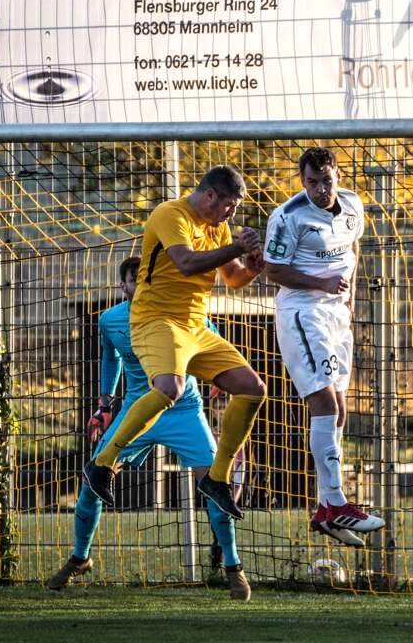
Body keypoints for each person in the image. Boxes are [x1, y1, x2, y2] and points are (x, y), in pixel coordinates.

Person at [48, 257, 251, 600]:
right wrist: (104, 404)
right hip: (136, 410)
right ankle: (80, 558)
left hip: (185, 410)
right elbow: (110, 359)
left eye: (148, 280)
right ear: (122, 285)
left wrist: (221, 379)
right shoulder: (111, 320)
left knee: (216, 485)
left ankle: (233, 567)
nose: (142, 286)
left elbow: (213, 342)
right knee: (93, 481)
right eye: (135, 281)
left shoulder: (184, 312)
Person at [83, 166, 267, 519]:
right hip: (156, 320)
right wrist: (234, 248)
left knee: (252, 388)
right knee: (170, 388)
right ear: (211, 195)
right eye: (229, 206)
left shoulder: (218, 227)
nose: (231, 214)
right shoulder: (170, 214)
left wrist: (253, 267)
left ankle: (217, 479)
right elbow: (185, 263)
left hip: (195, 326)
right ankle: (102, 465)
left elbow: (234, 279)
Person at [263, 147, 383, 548]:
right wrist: (322, 285)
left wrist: (347, 296)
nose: (319, 189)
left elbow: (353, 247)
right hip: (302, 312)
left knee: (341, 411)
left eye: (326, 181)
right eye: (311, 182)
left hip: (336, 314)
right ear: (302, 181)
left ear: (337, 176)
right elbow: (274, 270)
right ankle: (336, 503)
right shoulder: (288, 216)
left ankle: (324, 511)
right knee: (325, 406)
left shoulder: (352, 204)